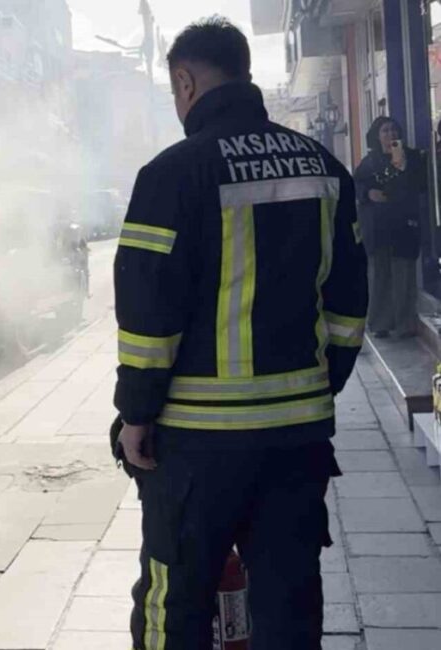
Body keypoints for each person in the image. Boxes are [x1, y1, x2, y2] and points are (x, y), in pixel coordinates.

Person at [113, 18, 368, 649]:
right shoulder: (324, 166)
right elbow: (349, 309)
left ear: (185, 81)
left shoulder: (174, 173)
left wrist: (135, 415)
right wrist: (315, 386)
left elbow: (149, 314)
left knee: (177, 600)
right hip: (297, 435)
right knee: (289, 599)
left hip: (199, 443)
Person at [354, 117, 425, 339]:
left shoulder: (412, 157)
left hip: (404, 225)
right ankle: (380, 323)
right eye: (385, 130)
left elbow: (422, 185)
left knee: (404, 275)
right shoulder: (369, 162)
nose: (391, 134)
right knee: (379, 276)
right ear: (377, 136)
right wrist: (368, 194)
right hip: (378, 228)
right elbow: (355, 186)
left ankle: (405, 323)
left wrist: (403, 163)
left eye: (394, 129)